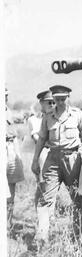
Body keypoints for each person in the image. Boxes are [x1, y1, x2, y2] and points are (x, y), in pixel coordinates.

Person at [31, 85, 82, 244]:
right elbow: (42, 139)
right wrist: (35, 160)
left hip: (73, 160)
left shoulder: (77, 115)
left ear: (68, 97)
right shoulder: (48, 117)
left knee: (78, 199)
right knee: (45, 198)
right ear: (53, 99)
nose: (60, 102)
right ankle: (42, 237)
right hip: (53, 160)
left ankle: (80, 237)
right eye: (57, 99)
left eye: (63, 99)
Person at [28, 90, 55, 207]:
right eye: (48, 102)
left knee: (51, 187)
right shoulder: (34, 120)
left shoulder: (55, 117)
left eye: (53, 102)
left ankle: (49, 216)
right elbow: (37, 138)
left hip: (55, 153)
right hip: (42, 153)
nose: (52, 105)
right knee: (42, 186)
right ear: (41, 103)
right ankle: (41, 216)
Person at [6, 88, 25, 229]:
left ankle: (8, 221)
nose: (5, 98)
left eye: (6, 95)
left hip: (11, 149)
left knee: (11, 185)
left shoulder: (8, 111)